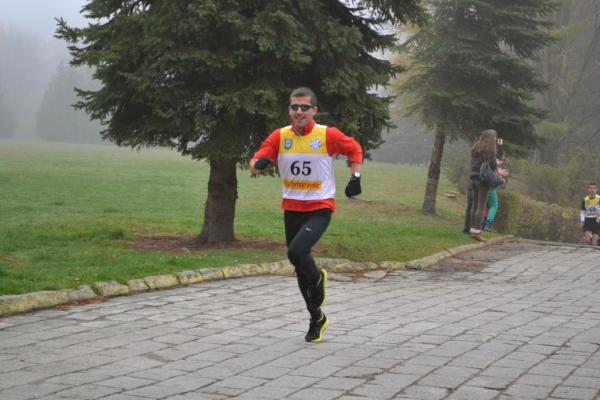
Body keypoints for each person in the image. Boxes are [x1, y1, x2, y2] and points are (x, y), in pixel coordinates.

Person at [249, 87, 363, 343]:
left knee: (296, 253)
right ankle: (316, 317)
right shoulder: (280, 136)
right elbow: (255, 162)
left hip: (319, 207)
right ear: (289, 110)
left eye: (304, 107)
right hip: (292, 208)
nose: (299, 112)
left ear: (314, 110)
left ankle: (318, 277)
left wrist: (356, 177)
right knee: (300, 267)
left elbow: (354, 149)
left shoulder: (327, 135)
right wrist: (258, 165)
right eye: (294, 107)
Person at [468, 130, 499, 241]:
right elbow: (493, 166)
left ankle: (472, 230)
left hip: (473, 178)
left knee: (474, 205)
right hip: (483, 180)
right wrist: (496, 163)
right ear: (491, 139)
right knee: (481, 206)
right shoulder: (489, 150)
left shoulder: (475, 148)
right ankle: (477, 232)